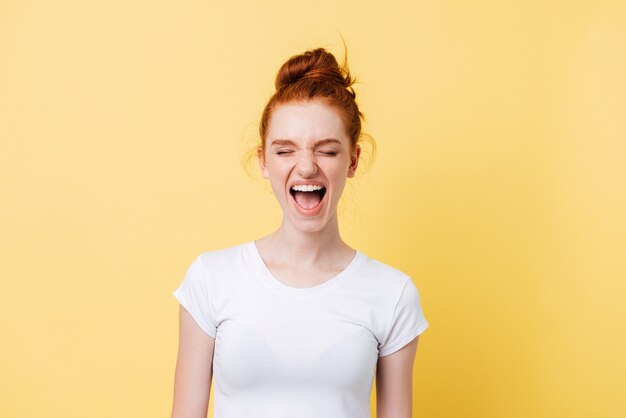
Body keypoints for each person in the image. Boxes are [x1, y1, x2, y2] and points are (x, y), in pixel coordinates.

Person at [171, 47, 429, 418]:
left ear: (352, 160)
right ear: (263, 161)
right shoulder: (211, 279)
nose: (306, 167)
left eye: (326, 151)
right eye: (285, 151)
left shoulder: (392, 293)